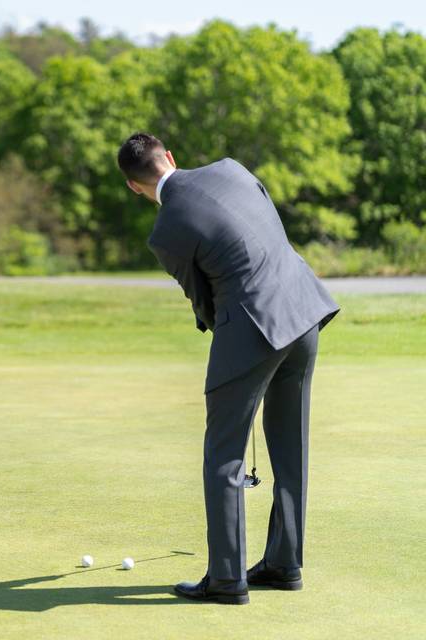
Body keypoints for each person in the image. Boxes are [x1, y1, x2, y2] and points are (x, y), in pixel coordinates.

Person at [117, 132, 339, 604]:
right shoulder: (232, 168)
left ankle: (226, 579)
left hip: (251, 328)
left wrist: (241, 352)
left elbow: (204, 303)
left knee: (223, 456)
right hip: (304, 311)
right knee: (290, 448)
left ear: (134, 188)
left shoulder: (165, 231)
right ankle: (284, 564)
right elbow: (269, 234)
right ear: (170, 157)